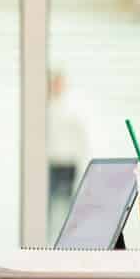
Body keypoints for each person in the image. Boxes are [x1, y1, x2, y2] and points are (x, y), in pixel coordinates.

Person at [47, 71, 89, 239]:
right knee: (48, 206)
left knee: (65, 205)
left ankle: (65, 238)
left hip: (67, 163)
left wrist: (80, 160)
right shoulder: (46, 108)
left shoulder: (72, 108)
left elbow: (80, 138)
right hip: (51, 163)